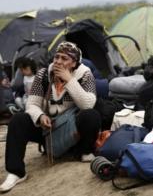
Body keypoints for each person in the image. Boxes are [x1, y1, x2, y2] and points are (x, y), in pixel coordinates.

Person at [0, 41, 101, 193]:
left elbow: (88, 104)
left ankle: (84, 152)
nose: (58, 62)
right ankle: (16, 172)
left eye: (64, 58)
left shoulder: (85, 74)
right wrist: (40, 116)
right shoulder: (43, 74)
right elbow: (32, 104)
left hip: (72, 127)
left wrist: (70, 80)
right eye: (57, 57)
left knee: (91, 116)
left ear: (74, 63)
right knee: (18, 120)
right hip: (47, 128)